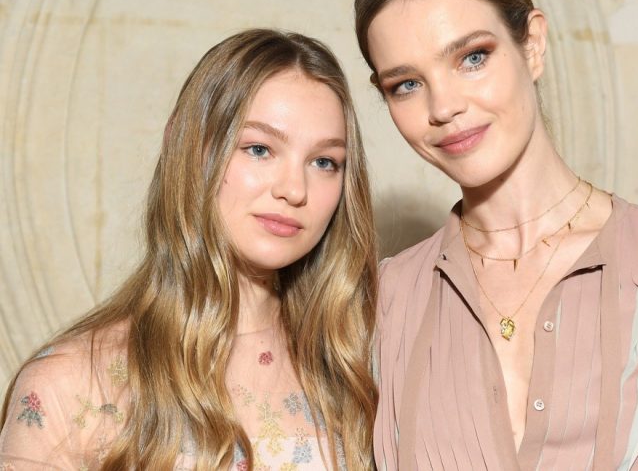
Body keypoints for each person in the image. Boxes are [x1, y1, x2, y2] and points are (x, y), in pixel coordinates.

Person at [354, 0, 638, 469]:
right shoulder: (387, 304)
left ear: (533, 44)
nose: (444, 106)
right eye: (407, 84)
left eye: (472, 58)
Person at [0, 29, 377, 470]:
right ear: (188, 148)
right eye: (259, 149)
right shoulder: (70, 384)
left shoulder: (361, 367)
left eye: (324, 162)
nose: (295, 189)